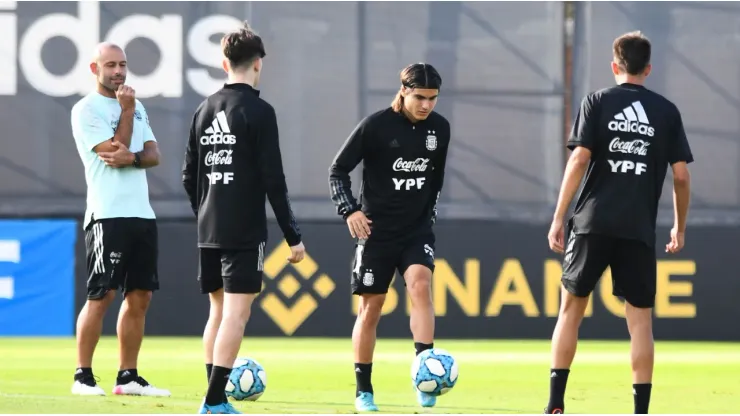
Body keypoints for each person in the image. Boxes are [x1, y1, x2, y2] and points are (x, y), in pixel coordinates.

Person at [544, 31, 693, 414]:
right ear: (649, 69)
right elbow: (680, 176)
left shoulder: (596, 101)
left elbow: (578, 161)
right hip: (637, 228)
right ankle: (640, 411)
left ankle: (555, 405)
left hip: (591, 223)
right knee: (640, 323)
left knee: (570, 312)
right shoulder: (666, 111)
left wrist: (559, 216)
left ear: (615, 66)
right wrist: (679, 226)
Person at [181, 22, 306, 415]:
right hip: (243, 230)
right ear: (258, 64)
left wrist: (203, 212)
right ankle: (215, 401)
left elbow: (189, 175)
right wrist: (293, 235)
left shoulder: (203, 109)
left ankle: (211, 394)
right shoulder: (259, 111)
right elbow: (274, 179)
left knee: (217, 312)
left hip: (209, 228)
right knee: (238, 312)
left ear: (223, 63)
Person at [328, 63, 451, 412]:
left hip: (415, 230)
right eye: (419, 97)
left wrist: (428, 215)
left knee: (421, 286)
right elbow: (337, 170)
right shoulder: (376, 126)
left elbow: (435, 178)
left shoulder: (440, 129)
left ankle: (425, 374)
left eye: (433, 98)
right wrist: (350, 210)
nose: (426, 105)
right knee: (371, 308)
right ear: (403, 91)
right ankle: (363, 390)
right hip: (377, 232)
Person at [69, 42, 170, 397]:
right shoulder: (86, 109)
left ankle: (128, 377)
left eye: (123, 64)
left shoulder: (137, 106)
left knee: (140, 296)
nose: (119, 71)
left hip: (141, 213)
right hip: (107, 214)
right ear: (94, 69)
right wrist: (125, 113)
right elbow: (116, 150)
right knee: (102, 294)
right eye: (110, 65)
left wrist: (133, 157)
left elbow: (153, 154)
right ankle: (83, 376)